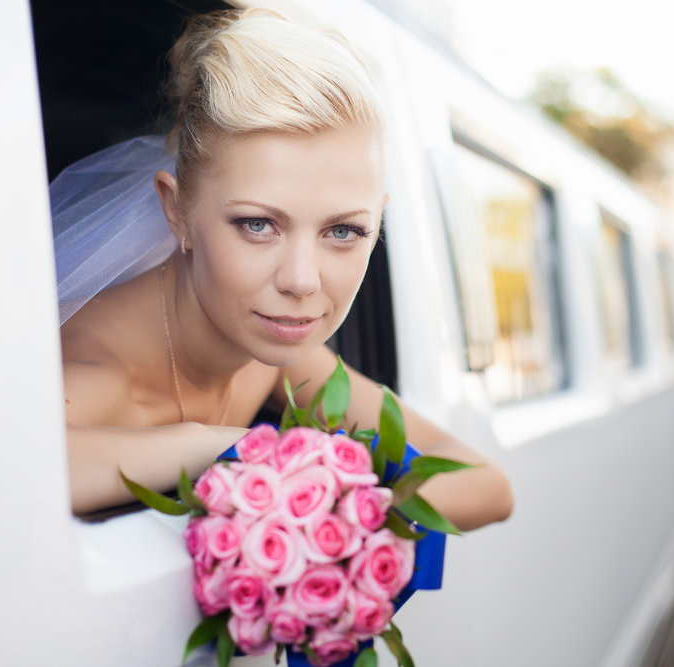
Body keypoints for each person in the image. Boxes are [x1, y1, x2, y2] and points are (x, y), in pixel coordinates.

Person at [59, 8, 513, 530]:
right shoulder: (96, 372)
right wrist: (224, 447)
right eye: (258, 225)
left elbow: (486, 483)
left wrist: (341, 519)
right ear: (177, 210)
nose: (301, 281)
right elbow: (2, 471)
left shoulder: (271, 357)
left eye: (344, 231)